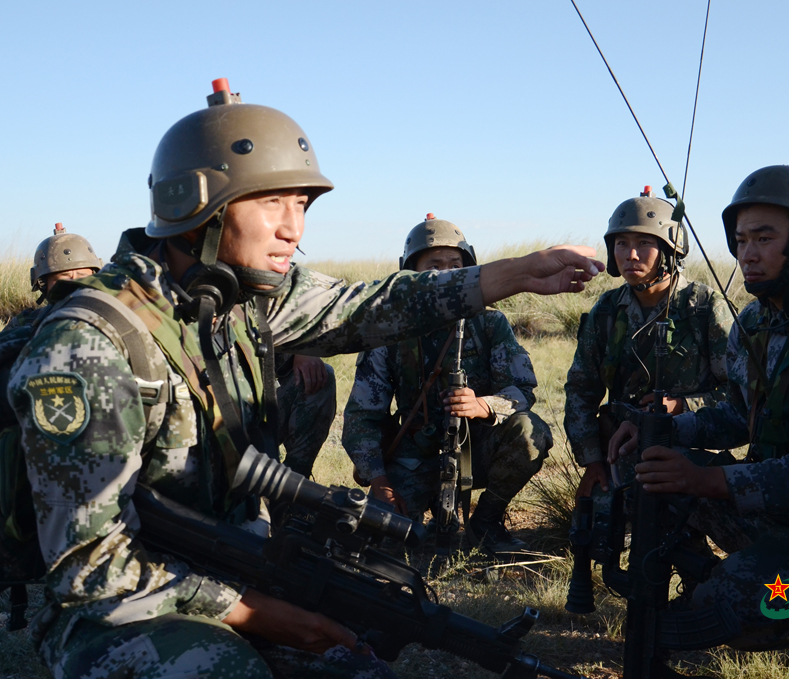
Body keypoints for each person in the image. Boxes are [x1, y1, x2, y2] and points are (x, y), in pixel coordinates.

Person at [6, 79, 603, 679]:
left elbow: (367, 307)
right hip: (122, 608)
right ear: (197, 207)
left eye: (302, 205)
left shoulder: (239, 300)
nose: (294, 228)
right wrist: (250, 612)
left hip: (239, 565)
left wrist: (515, 274)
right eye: (273, 204)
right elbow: (90, 567)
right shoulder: (89, 344)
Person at [608, 159, 789, 650]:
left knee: (731, 603)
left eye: (763, 239)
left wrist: (709, 480)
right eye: (741, 241)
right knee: (647, 465)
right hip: (768, 510)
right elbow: (739, 417)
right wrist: (664, 429)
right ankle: (701, 577)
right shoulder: (755, 324)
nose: (748, 255)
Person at [342, 214, 553, 556]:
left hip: (477, 448)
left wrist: (483, 405)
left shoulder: (488, 321)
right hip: (415, 454)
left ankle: (485, 523)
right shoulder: (390, 330)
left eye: (455, 264)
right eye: (434, 265)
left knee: (531, 432)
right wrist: (379, 481)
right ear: (412, 272)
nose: (446, 273)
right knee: (378, 541)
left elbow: (521, 390)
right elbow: (361, 417)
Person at [567, 186, 733, 503]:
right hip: (617, 450)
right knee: (595, 526)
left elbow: (739, 395)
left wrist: (683, 407)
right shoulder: (607, 309)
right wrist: (593, 460)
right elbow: (580, 388)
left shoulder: (703, 307)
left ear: (670, 251)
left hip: (686, 447)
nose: (631, 254)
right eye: (622, 244)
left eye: (644, 243)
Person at [2, 223, 101, 332]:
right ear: (43, 284)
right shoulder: (26, 324)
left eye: (82, 276)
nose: (74, 284)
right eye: (64, 278)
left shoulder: (111, 318)